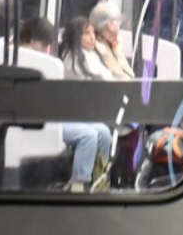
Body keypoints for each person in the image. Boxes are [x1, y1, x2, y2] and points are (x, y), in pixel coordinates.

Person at [20, 18, 113, 193]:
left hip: (55, 113)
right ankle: (78, 185)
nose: (46, 50)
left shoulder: (45, 60)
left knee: (104, 132)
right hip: (44, 118)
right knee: (88, 136)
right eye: (43, 44)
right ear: (32, 41)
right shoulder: (31, 60)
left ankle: (99, 179)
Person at [90, 1, 135, 80]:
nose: (120, 24)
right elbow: (119, 77)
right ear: (110, 25)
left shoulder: (113, 43)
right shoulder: (95, 47)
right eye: (118, 21)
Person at [60, 16, 112, 81]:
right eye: (87, 33)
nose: (92, 37)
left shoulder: (93, 54)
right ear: (76, 36)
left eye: (93, 32)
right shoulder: (72, 58)